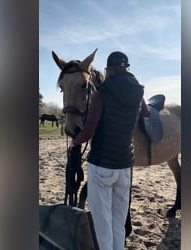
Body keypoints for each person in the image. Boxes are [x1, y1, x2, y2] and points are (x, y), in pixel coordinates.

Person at [70, 51, 149, 250]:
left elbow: (88, 132)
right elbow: (146, 113)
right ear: (127, 68)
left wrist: (74, 142)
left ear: (110, 70)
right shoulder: (138, 91)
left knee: (102, 225)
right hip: (125, 167)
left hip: (101, 166)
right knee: (119, 223)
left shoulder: (102, 93)